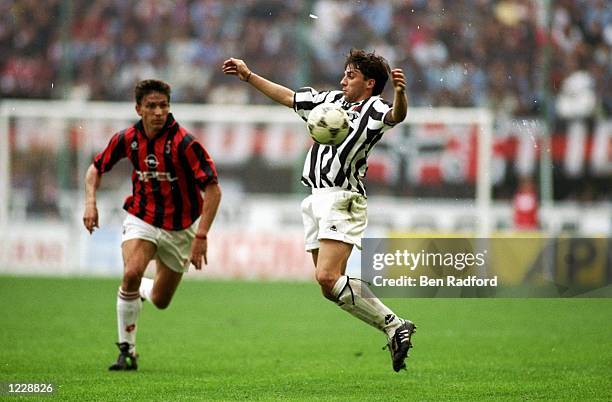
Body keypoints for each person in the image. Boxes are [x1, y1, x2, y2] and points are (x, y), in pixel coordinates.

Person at [222, 49, 415, 372]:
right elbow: (289, 98)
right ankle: (393, 326)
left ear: (369, 83)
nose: (343, 80)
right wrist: (249, 75)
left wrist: (399, 92)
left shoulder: (375, 107)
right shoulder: (330, 102)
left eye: (350, 76)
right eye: (344, 73)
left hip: (344, 197)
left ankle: (394, 324)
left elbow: (397, 115)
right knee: (328, 286)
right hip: (314, 199)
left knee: (327, 275)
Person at [82, 79, 221, 371]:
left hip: (180, 228)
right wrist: (90, 203)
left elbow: (213, 190)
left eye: (163, 105)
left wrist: (202, 235)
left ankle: (144, 291)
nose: (158, 112)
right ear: (139, 109)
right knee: (131, 271)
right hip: (141, 217)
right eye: (151, 106)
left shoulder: (185, 143)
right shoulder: (127, 138)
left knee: (160, 299)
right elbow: (95, 168)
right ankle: (127, 352)